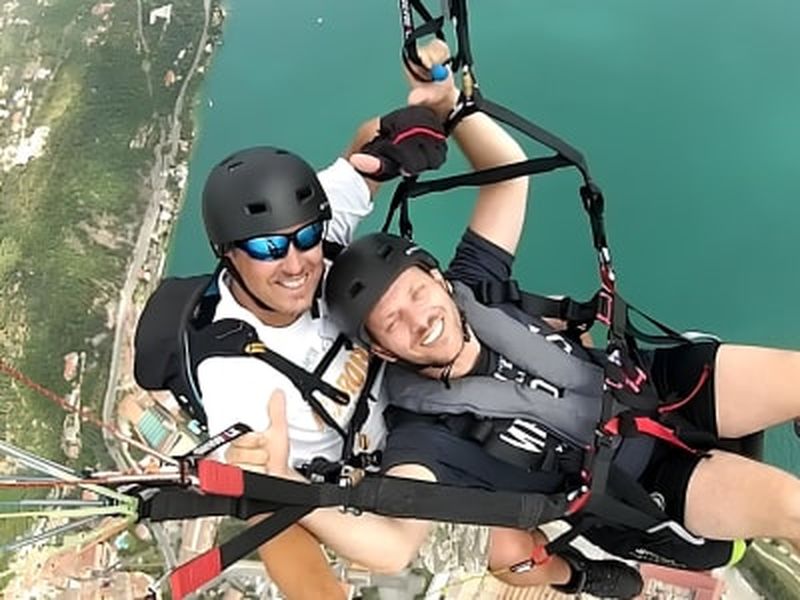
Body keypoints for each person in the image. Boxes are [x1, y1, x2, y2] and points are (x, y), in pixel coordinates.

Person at [315, 92, 800, 600]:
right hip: (639, 486)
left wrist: (450, 107)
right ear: (384, 351)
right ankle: (577, 576)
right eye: (391, 320)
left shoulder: (475, 286)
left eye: (416, 292)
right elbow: (392, 550)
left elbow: (508, 171)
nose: (419, 318)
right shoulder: (422, 437)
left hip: (651, 382)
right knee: (790, 505)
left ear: (438, 279)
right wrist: (279, 483)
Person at [191, 104, 447, 599]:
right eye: (267, 249)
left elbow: (363, 157)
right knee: (397, 554)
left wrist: (417, 115)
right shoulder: (234, 378)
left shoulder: (312, 230)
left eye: (306, 238)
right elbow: (269, 514)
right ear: (228, 253)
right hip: (366, 475)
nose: (295, 264)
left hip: (413, 392)